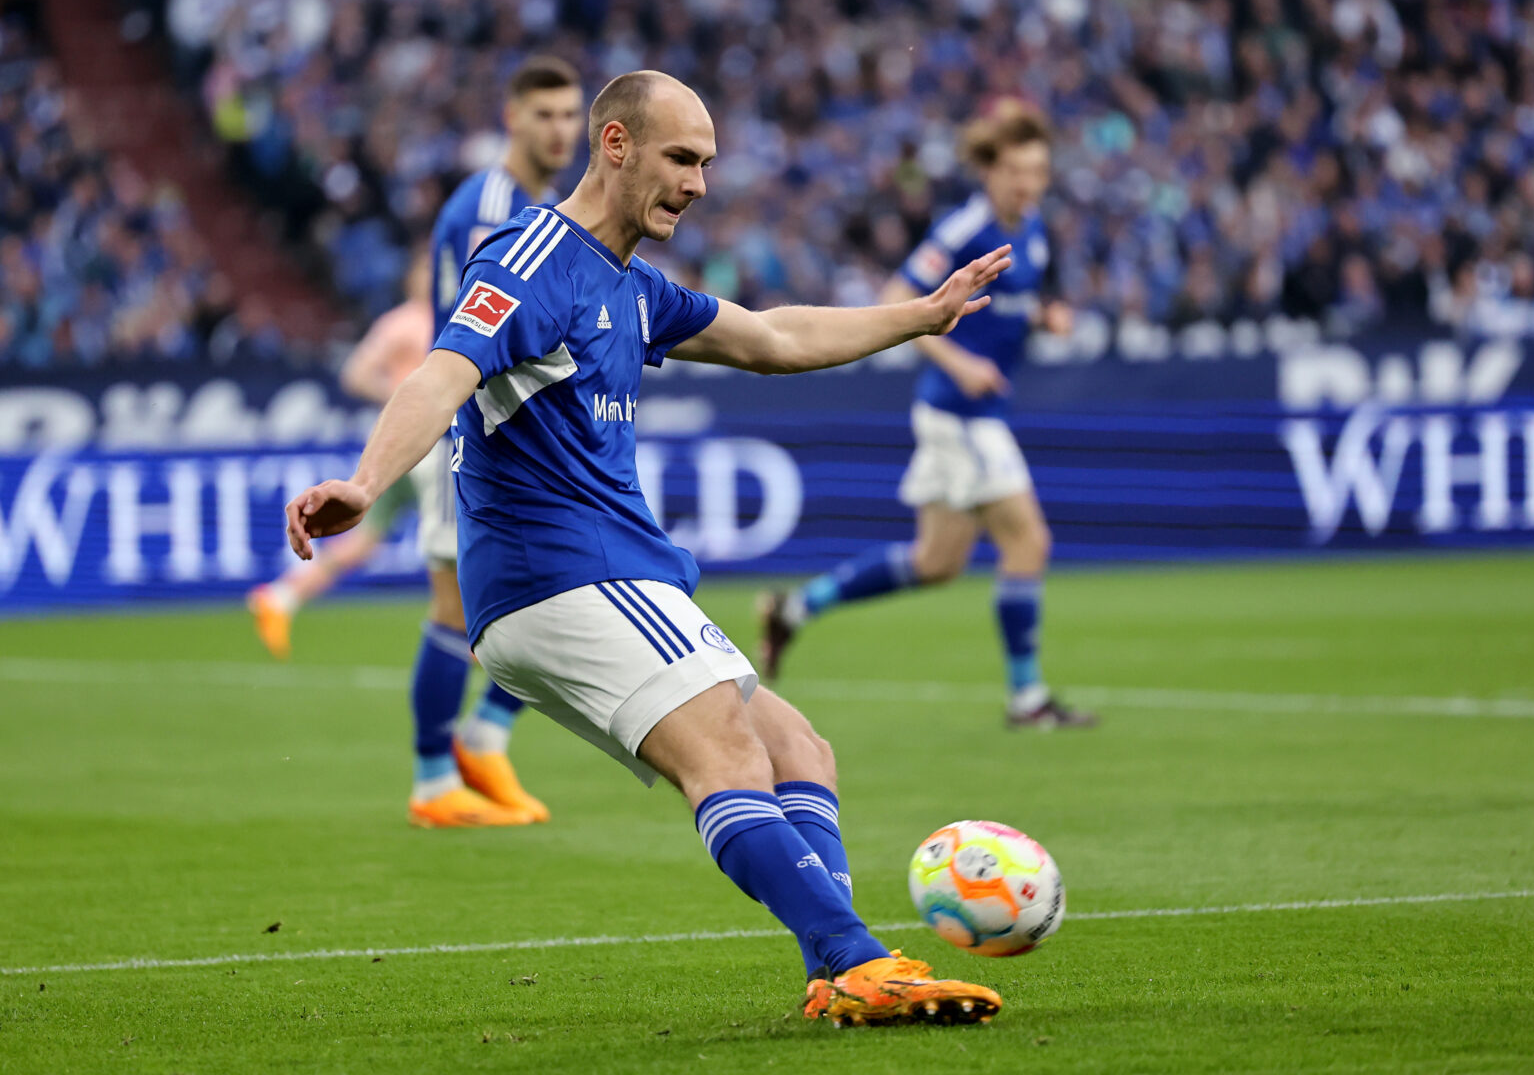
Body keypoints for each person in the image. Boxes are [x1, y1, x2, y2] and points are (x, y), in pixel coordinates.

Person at [286, 70, 1011, 1026]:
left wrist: (920, 314)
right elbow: (444, 369)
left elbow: (776, 337)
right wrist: (367, 481)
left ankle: (835, 965)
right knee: (727, 753)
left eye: (707, 163)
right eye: (681, 158)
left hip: (605, 575)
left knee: (801, 750)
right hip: (561, 571)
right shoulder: (536, 255)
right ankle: (856, 959)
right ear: (616, 146)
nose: (699, 183)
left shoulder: (631, 285)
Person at [759, 100, 1094, 731]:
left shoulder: (1034, 228)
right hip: (960, 413)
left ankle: (795, 610)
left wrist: (1046, 318)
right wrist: (958, 365)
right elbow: (896, 303)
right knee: (1029, 541)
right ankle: (1028, 700)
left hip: (973, 412)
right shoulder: (963, 230)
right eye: (1017, 170)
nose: (1028, 183)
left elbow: (1014, 308)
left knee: (936, 563)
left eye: (1039, 170)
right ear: (990, 172)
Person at [397, 55, 585, 828]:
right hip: (471, 429)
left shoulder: (525, 200)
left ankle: (481, 739)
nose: (559, 129)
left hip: (501, 428)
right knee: (459, 611)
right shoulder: (496, 206)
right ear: (511, 119)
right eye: (544, 114)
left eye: (571, 114)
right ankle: (439, 778)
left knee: (554, 586)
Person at [247, 253, 435, 660]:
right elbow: (356, 372)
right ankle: (473, 627)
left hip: (418, 443)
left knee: (367, 540)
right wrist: (404, 401)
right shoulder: (406, 322)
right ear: (411, 278)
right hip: (417, 446)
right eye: (427, 269)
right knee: (460, 527)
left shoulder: (437, 316)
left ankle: (282, 596)